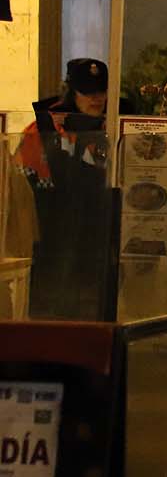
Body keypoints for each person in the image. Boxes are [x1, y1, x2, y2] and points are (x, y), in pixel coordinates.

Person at [18, 58, 111, 317]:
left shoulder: (113, 126)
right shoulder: (42, 128)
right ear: (71, 92)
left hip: (98, 239)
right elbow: (22, 185)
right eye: (88, 92)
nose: (97, 98)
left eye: (102, 91)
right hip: (53, 238)